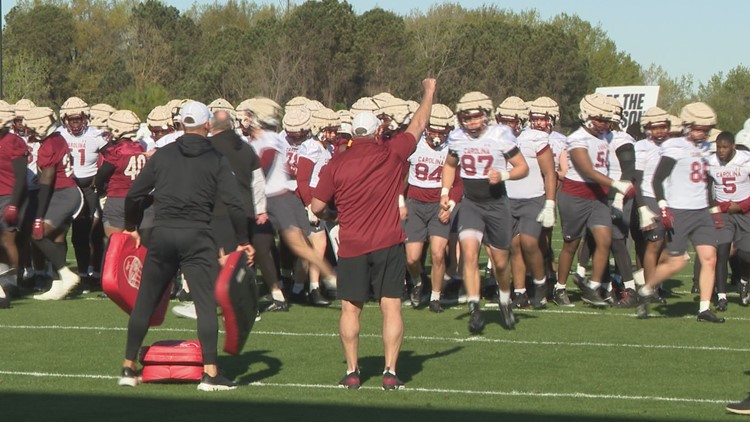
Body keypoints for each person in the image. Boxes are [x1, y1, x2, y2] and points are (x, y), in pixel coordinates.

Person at [118, 101, 254, 391]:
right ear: (207, 126)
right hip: (198, 235)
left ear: (181, 124)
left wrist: (132, 226)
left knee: (145, 300)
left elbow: (134, 194)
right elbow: (235, 203)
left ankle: (128, 367)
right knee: (205, 305)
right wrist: (243, 241)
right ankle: (210, 373)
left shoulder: (163, 154)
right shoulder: (216, 158)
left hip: (164, 232)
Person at [311, 78, 436, 391]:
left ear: (353, 133)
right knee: (391, 307)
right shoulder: (391, 154)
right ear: (378, 131)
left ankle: (353, 371)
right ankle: (390, 372)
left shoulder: (336, 163)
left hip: (352, 245)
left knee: (350, 309)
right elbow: (420, 123)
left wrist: (331, 215)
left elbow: (315, 207)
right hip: (388, 242)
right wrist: (429, 91)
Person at [440, 91, 529, 333]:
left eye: (476, 117)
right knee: (469, 254)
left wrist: (504, 174)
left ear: (486, 115)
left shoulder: (500, 135)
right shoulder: (457, 137)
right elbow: (449, 165)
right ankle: (475, 308)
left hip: (497, 203)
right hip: (471, 203)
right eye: (466, 118)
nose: (471, 123)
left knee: (500, 263)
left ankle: (503, 299)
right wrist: (445, 193)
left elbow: (523, 167)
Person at [636, 102, 724, 322]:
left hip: (701, 210)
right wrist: (663, 207)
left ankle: (704, 309)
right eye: (698, 128)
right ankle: (646, 288)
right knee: (677, 262)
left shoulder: (706, 148)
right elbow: (658, 179)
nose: (702, 133)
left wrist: (713, 209)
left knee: (709, 258)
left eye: (705, 129)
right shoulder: (674, 146)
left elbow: (706, 183)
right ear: (687, 125)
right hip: (679, 210)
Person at [402, 104, 461, 312]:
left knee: (437, 254)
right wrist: (401, 202)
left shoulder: (452, 148)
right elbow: (400, 177)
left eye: (442, 131)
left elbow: (459, 182)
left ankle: (435, 297)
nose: (437, 136)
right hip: (415, 204)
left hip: (439, 204)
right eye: (434, 130)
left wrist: (450, 205)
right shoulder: (414, 144)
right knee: (412, 257)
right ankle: (418, 282)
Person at [24, 107, 83, 301]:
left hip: (63, 194)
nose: (29, 132)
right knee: (57, 238)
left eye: (32, 128)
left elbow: (47, 182)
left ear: (41, 126)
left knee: (36, 233)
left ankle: (66, 274)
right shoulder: (58, 138)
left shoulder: (48, 145)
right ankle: (58, 283)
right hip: (69, 192)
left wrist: (39, 216)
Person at [0, 101, 28, 307]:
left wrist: (14, 203)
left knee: (8, 240)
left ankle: (13, 282)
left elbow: (20, 176)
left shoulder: (13, 141)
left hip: (8, 195)